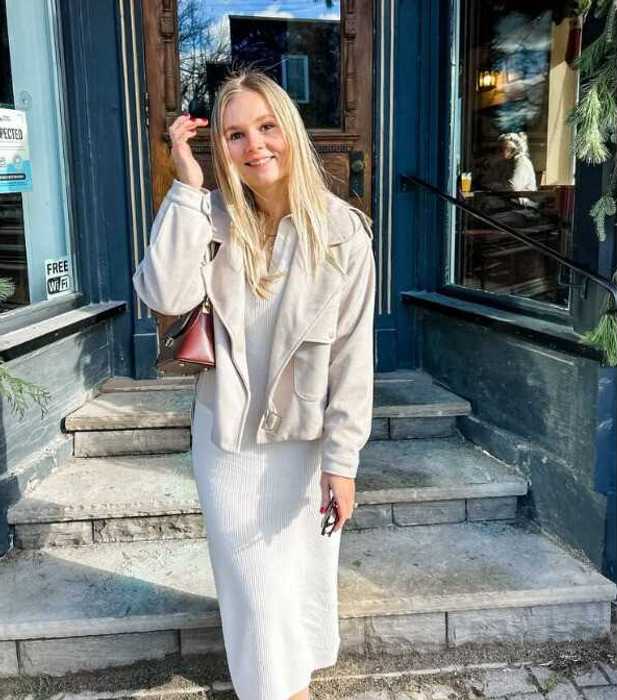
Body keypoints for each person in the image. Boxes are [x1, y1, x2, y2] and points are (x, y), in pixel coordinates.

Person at [132, 70, 376, 700]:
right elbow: (162, 294)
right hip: (229, 443)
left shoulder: (344, 232)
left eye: (267, 127)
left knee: (295, 582)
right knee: (255, 592)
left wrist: (343, 462)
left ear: (289, 129)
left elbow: (353, 359)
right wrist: (187, 186)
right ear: (220, 146)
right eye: (235, 134)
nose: (255, 145)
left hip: (303, 441)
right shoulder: (208, 216)